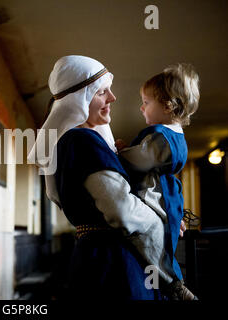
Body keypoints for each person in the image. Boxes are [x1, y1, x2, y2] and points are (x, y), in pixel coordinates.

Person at [28, 55, 185, 300]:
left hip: (106, 257)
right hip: (113, 264)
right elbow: (122, 209)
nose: (112, 98)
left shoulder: (83, 141)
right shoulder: (81, 141)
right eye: (102, 92)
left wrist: (167, 211)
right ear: (80, 100)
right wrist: (163, 223)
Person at [115, 63, 200, 300]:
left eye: (146, 102)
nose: (141, 107)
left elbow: (141, 159)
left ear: (168, 105)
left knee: (151, 244)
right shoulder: (172, 135)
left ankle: (173, 284)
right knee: (163, 242)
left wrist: (118, 154)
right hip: (168, 195)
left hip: (155, 196)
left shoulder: (162, 137)